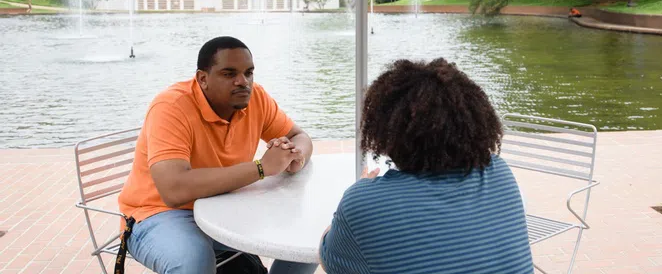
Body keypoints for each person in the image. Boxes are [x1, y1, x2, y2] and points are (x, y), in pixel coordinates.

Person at [118, 36, 318, 274]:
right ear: (203, 79)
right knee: (194, 261)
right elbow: (173, 191)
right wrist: (262, 168)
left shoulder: (256, 98)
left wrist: (295, 157)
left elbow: (300, 136)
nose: (242, 82)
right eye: (229, 74)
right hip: (159, 214)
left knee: (311, 234)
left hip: (223, 207)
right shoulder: (171, 107)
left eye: (248, 73)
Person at [320, 58, 534, 274]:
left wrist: (361, 191)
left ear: (385, 132)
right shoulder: (499, 174)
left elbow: (327, 258)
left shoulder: (364, 202)